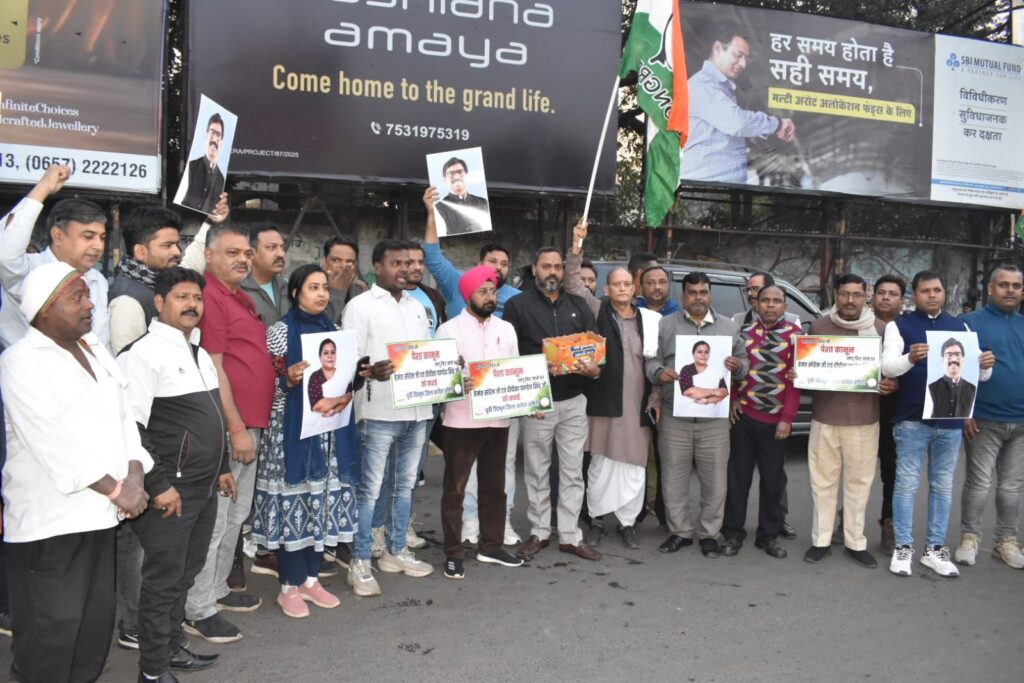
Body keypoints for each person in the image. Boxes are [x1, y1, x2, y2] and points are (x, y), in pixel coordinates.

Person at [1, 261, 152, 682]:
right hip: (50, 524)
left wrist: (135, 475)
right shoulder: (21, 360)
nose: (90, 305)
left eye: (88, 295)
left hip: (99, 518)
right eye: (77, 297)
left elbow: (124, 418)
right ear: (43, 309)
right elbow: (51, 441)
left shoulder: (94, 351)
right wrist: (117, 490)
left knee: (92, 629)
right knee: (50, 634)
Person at [118, 267, 234, 683]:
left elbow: (213, 417)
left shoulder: (198, 351)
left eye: (197, 298)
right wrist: (159, 484)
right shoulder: (141, 354)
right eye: (182, 297)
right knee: (163, 580)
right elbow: (130, 428)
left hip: (203, 488)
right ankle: (152, 670)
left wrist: (222, 467)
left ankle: (170, 648)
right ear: (159, 302)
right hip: (171, 491)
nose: (192, 305)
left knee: (185, 573)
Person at [251, 264, 361, 618]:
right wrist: (287, 381)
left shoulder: (335, 332)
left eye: (325, 287)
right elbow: (268, 389)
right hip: (291, 437)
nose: (322, 294)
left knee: (321, 503)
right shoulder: (280, 333)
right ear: (296, 292)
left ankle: (311, 580)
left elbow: (342, 383)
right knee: (294, 504)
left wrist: (359, 375)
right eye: (313, 287)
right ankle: (289, 586)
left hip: (328, 435)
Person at [183, 224, 275, 643]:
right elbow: (214, 366)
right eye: (232, 252)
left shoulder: (240, 296)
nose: (242, 259)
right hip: (229, 427)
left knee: (236, 516)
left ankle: (217, 589)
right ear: (208, 255)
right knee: (216, 520)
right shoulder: (210, 296)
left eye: (245, 253)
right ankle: (198, 608)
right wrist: (235, 427)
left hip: (251, 423)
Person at [422, 187, 522, 545]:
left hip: (500, 412)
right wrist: (431, 212)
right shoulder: (455, 296)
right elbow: (432, 256)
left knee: (499, 474)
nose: (497, 271)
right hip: (462, 412)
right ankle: (464, 529)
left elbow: (518, 365)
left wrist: (531, 396)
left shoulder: (515, 305)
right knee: (460, 478)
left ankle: (498, 529)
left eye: (504, 265)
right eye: (492, 263)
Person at [881, 270, 994, 578]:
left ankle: (934, 549)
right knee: (906, 484)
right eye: (925, 291)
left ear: (944, 293)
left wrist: (985, 365)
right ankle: (903, 547)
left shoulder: (960, 326)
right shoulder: (899, 325)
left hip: (950, 420)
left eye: (937, 290)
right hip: (912, 419)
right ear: (914, 295)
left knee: (943, 486)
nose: (932, 295)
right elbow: (888, 367)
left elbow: (980, 375)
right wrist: (910, 358)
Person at [343, 240, 435, 596]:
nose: (405, 269)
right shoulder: (360, 306)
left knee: (404, 486)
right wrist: (370, 371)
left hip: (418, 411)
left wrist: (445, 368)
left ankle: (395, 551)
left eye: (408, 263)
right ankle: (360, 561)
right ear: (377, 267)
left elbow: (424, 356)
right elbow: (350, 362)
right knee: (369, 491)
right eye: (396, 263)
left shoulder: (417, 307)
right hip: (378, 411)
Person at [504, 246, 602, 562]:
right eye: (546, 266)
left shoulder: (578, 305)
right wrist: (537, 366)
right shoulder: (518, 306)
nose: (553, 272)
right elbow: (509, 356)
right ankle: (539, 531)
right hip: (538, 402)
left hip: (574, 400)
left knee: (573, 472)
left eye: (558, 267)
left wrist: (594, 368)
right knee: (536, 471)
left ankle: (571, 535)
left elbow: (594, 348)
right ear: (535, 269)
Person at [568, 223, 661, 549]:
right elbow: (573, 283)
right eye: (616, 284)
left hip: (637, 406)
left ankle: (627, 523)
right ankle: (596, 519)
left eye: (627, 284)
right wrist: (576, 247)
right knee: (601, 464)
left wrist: (656, 397)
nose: (622, 288)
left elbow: (656, 363)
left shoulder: (649, 320)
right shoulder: (597, 310)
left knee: (634, 466)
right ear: (606, 289)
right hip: (604, 403)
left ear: (635, 288)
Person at [799, 274, 896, 570]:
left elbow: (892, 371)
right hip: (825, 418)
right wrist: (800, 373)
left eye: (856, 294)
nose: (850, 300)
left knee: (859, 484)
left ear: (866, 296)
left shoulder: (880, 329)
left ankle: (856, 542)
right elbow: (809, 373)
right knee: (822, 483)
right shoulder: (819, 327)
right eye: (844, 294)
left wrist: (891, 384)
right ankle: (821, 540)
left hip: (864, 420)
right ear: (835, 296)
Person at [647, 272, 745, 557]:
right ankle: (680, 532)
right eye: (692, 293)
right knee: (673, 479)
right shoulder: (665, 325)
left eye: (703, 292)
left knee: (715, 481)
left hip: (714, 420)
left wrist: (738, 367)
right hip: (674, 417)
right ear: (683, 296)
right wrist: (658, 372)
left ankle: (709, 534)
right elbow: (651, 360)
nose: (698, 298)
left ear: (710, 294)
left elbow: (744, 364)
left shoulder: (729, 327)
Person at [435, 265, 524, 579]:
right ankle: (453, 552)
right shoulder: (448, 331)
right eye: (483, 292)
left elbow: (516, 372)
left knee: (494, 487)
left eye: (493, 292)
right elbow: (438, 379)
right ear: (467, 295)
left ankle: (491, 546)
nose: (490, 297)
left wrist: (530, 400)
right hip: (460, 421)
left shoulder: (506, 329)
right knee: (455, 490)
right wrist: (457, 383)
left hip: (498, 421)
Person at [721, 285, 801, 560]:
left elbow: (795, 385)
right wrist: (733, 399)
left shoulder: (796, 337)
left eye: (776, 301)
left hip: (775, 423)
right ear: (756, 304)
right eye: (765, 300)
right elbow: (732, 372)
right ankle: (733, 533)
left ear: (785, 307)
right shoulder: (743, 334)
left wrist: (787, 419)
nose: (770, 305)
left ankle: (768, 536)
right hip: (744, 418)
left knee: (772, 482)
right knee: (738, 479)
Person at [955, 264, 1024, 569]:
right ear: (991, 288)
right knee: (979, 484)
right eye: (1004, 285)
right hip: (983, 419)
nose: (1010, 291)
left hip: (1021, 422)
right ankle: (969, 538)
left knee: (1011, 487)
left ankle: (1006, 541)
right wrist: (965, 412)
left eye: (1016, 286)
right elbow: (955, 371)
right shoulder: (969, 323)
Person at [0, 164, 110, 348]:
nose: (98, 246)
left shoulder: (98, 280)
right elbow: (5, 254)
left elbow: (101, 342)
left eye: (102, 237)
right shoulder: (28, 271)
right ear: (58, 236)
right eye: (88, 236)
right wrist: (44, 187)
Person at [680, 24, 796, 183]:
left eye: (746, 58)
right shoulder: (702, 84)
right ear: (718, 48)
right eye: (738, 55)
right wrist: (776, 125)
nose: (743, 64)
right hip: (705, 188)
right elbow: (738, 123)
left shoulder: (721, 88)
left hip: (717, 188)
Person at [872, 274, 905, 552]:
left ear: (902, 300)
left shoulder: (908, 329)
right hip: (859, 410)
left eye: (893, 294)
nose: (886, 297)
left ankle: (889, 523)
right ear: (872, 297)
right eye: (881, 292)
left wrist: (897, 383)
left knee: (891, 472)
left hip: (894, 412)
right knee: (851, 471)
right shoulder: (860, 325)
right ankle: (844, 520)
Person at [240, 224, 289, 326]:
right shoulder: (238, 292)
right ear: (251, 253)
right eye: (272, 247)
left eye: (282, 247)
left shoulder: (288, 287)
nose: (281, 254)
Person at [180, 113, 226, 214]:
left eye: (218, 135)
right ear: (206, 136)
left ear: (221, 142)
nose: (214, 139)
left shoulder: (221, 179)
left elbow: (216, 211)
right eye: (212, 133)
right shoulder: (191, 166)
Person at [433, 157, 491, 236]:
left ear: (467, 175)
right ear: (444, 179)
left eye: (460, 172)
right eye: (451, 174)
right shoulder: (438, 208)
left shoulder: (484, 202)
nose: (457, 177)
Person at [321, 236, 368, 325]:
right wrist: (337, 292)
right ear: (325, 262)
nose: (343, 266)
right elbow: (320, 327)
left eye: (350, 262)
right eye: (336, 260)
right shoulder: (312, 290)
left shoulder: (360, 292)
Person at [678, 341, 730, 419]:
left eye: (706, 352)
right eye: (699, 352)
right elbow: (689, 392)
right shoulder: (687, 369)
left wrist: (707, 400)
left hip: (710, 416)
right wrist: (714, 391)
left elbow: (724, 393)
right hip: (687, 415)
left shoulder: (716, 372)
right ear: (693, 354)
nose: (703, 355)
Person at [926, 338, 977, 419]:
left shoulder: (972, 389)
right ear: (942, 359)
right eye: (949, 355)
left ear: (963, 359)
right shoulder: (931, 388)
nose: (953, 359)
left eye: (957, 355)